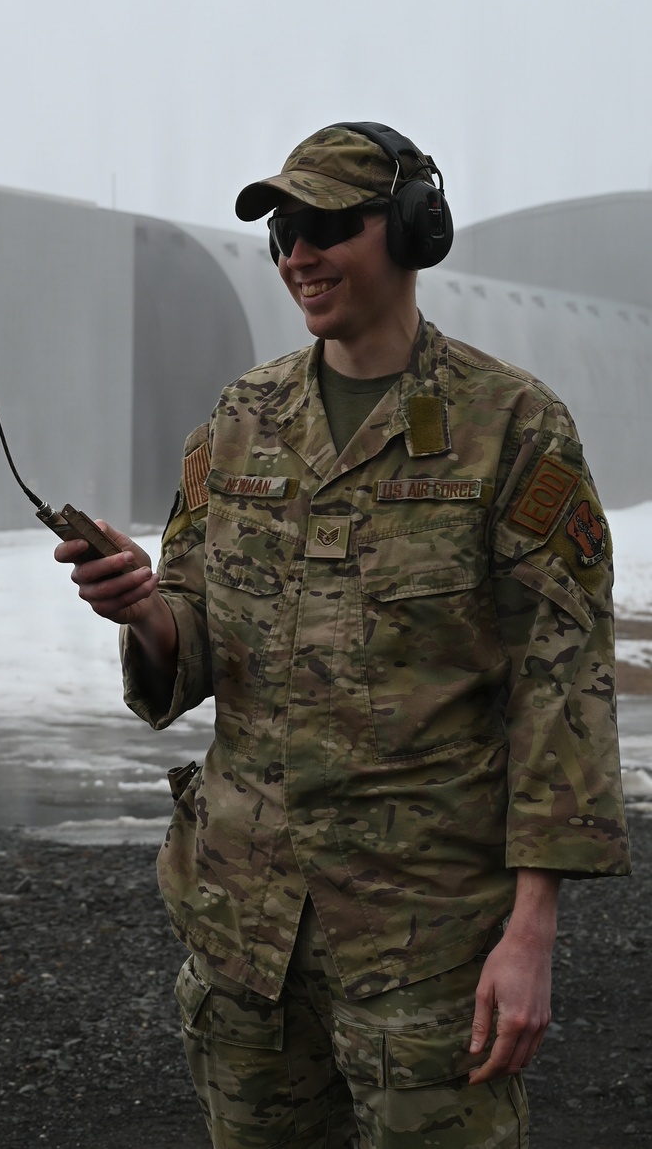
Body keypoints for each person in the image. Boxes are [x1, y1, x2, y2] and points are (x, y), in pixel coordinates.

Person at [55, 122, 631, 1149]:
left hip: (425, 949)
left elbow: (562, 681)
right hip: (243, 934)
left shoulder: (509, 426)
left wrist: (531, 929)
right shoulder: (239, 421)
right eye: (281, 230)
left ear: (412, 229)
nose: (296, 256)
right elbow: (196, 643)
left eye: (324, 224)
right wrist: (143, 610)